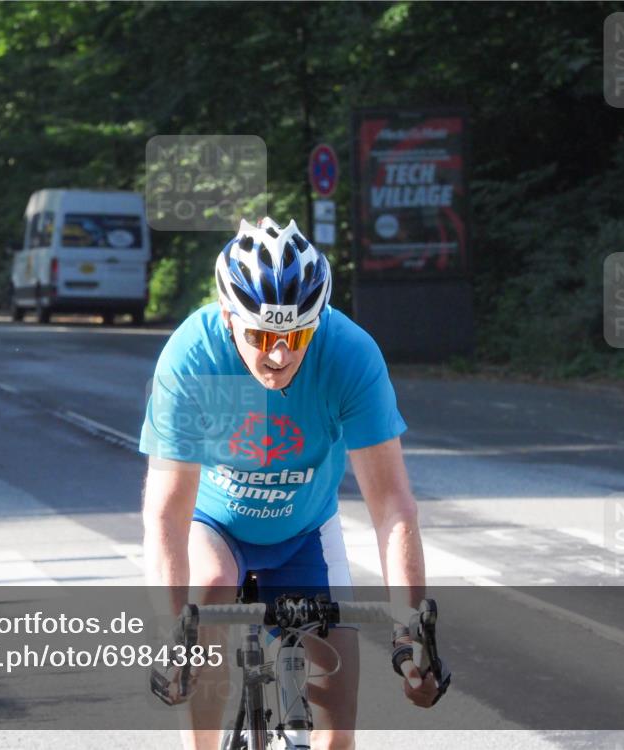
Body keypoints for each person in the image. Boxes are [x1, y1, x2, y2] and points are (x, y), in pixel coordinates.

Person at [140, 218, 440, 750]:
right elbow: (167, 512)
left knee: (337, 733)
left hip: (304, 531)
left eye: (295, 335)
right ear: (229, 319)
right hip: (218, 525)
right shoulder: (193, 359)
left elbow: (393, 505)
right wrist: (173, 633)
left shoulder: (349, 355)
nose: (278, 355)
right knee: (206, 595)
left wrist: (411, 628)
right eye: (260, 335)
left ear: (317, 322)